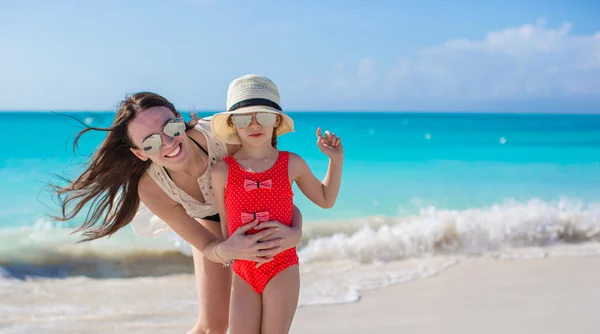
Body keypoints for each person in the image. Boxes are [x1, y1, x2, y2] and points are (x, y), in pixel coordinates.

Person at [50, 92, 304, 334]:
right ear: (140, 153)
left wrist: (294, 233)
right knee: (212, 327)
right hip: (208, 222)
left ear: (180, 119)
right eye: (151, 142)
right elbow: (207, 246)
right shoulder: (153, 188)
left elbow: (283, 200)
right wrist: (228, 250)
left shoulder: (226, 140)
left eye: (171, 128)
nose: (169, 143)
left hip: (257, 222)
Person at [210, 74, 344, 334]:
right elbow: (226, 231)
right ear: (233, 125)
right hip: (243, 270)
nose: (254, 124)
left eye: (264, 116)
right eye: (243, 118)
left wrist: (335, 160)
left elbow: (326, 200)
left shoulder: (292, 163)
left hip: (282, 266)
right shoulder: (220, 171)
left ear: (277, 121)